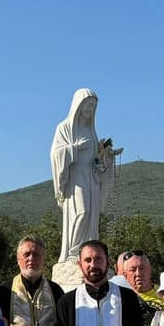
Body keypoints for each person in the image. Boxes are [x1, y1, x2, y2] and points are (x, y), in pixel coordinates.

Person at [50, 88, 119, 264]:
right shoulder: (65, 128)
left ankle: (89, 255)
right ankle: (74, 252)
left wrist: (105, 154)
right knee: (81, 212)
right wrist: (75, 148)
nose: (90, 109)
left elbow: (94, 156)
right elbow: (55, 153)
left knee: (92, 217)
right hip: (75, 179)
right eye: (88, 105)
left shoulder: (91, 131)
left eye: (93, 106)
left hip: (91, 178)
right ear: (78, 105)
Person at [122, 251, 164, 326]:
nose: (138, 273)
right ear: (125, 275)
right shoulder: (120, 298)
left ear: (150, 270)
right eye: (133, 270)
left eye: (142, 268)